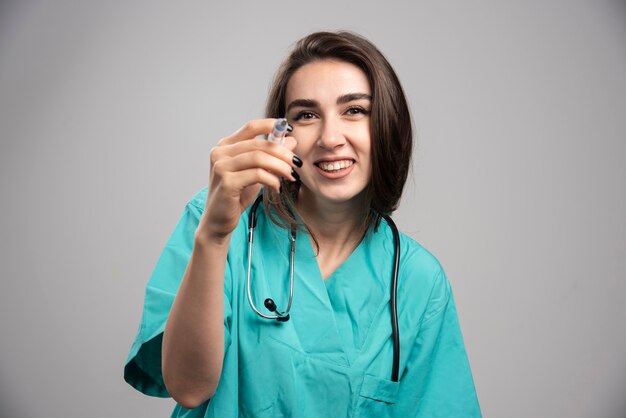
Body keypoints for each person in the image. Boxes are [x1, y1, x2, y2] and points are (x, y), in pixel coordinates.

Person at [124, 31, 481, 417]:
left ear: (387, 125)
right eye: (307, 115)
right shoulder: (222, 219)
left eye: (355, 110)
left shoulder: (416, 281)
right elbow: (189, 388)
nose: (330, 138)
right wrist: (214, 236)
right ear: (283, 135)